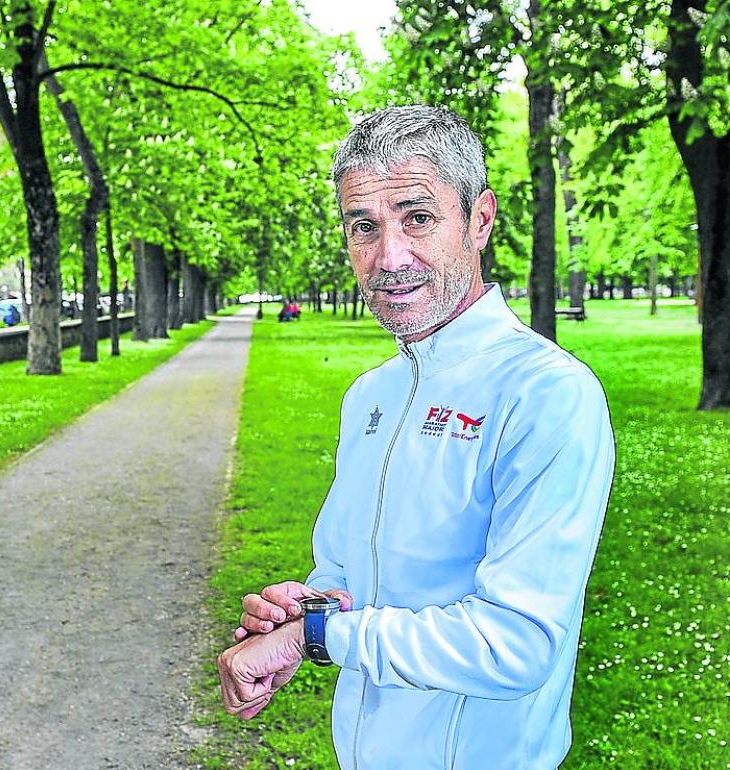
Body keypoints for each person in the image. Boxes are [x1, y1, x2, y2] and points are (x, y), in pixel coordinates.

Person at [216, 106, 615, 769]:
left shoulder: (548, 394)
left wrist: (314, 639)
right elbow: (346, 578)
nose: (388, 257)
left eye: (418, 218)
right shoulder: (371, 395)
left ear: (480, 220)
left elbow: (514, 642)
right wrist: (303, 609)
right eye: (363, 226)